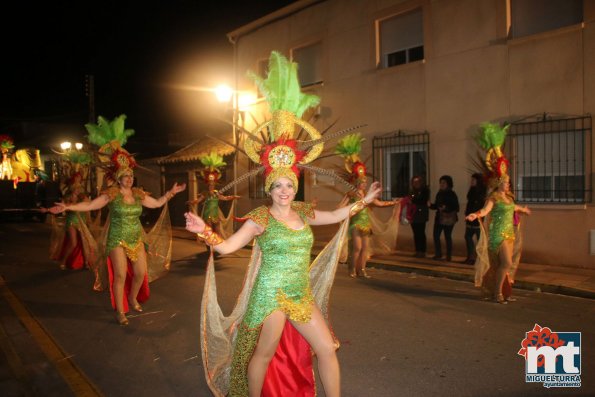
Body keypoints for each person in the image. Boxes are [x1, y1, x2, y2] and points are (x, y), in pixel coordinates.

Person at [190, 51, 373, 397]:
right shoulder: (260, 218)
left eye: (290, 184)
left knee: (328, 348)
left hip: (299, 294)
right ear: (269, 188)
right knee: (264, 353)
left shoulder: (303, 213)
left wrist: (366, 199)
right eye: (279, 186)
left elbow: (336, 215)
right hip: (270, 296)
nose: (285, 191)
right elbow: (227, 247)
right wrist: (203, 229)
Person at [50, 115, 186, 325]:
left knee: (141, 273)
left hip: (135, 238)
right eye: (125, 176)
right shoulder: (111, 195)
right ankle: (121, 311)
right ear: (119, 178)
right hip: (116, 239)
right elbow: (90, 205)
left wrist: (171, 192)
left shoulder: (139, 195)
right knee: (120, 275)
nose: (129, 178)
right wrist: (68, 206)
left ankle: (132, 298)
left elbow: (158, 203)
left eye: (131, 175)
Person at [465, 122, 531, 304]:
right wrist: (475, 215)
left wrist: (523, 209)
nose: (508, 184)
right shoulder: (493, 197)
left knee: (504, 265)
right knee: (507, 263)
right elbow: (486, 210)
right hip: (497, 235)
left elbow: (513, 208)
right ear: (498, 182)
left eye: (508, 182)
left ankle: (499, 289)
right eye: (505, 182)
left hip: (509, 233)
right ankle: (497, 293)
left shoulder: (509, 198)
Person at [336, 133, 400, 278]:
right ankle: (352, 269)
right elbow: (340, 206)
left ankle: (362, 270)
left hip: (366, 223)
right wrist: (341, 213)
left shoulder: (367, 195)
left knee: (365, 248)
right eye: (362, 181)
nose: (365, 183)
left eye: (365, 181)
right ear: (357, 182)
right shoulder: (351, 194)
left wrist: (394, 202)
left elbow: (379, 203)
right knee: (357, 248)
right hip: (355, 223)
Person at [190, 151, 239, 238]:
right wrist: (193, 202)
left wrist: (233, 197)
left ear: (214, 184)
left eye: (213, 184)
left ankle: (217, 246)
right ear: (208, 184)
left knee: (217, 230)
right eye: (210, 184)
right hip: (207, 214)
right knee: (209, 231)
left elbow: (224, 198)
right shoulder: (205, 192)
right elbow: (199, 200)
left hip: (215, 214)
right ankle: (210, 248)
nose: (211, 185)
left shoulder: (217, 193)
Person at [430, 175, 459, 261]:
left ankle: (448, 255)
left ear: (448, 184)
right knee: (436, 236)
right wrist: (430, 205)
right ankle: (438, 254)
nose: (441, 184)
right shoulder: (439, 193)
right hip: (439, 218)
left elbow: (456, 207)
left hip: (448, 219)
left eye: (444, 183)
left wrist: (446, 208)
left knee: (447, 236)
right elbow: (436, 206)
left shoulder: (452, 194)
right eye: (440, 183)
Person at [462, 173, 487, 265]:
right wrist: (467, 213)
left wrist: (475, 215)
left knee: (480, 239)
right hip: (470, 218)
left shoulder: (482, 192)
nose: (471, 182)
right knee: (467, 236)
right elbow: (470, 203)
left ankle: (481, 259)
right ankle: (470, 257)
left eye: (473, 180)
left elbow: (481, 206)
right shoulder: (472, 191)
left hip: (478, 219)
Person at [408, 175, 430, 258]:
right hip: (413, 214)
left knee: (421, 232)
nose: (415, 183)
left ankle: (422, 251)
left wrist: (413, 200)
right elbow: (409, 200)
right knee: (415, 233)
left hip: (421, 214)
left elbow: (423, 200)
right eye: (414, 181)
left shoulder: (425, 190)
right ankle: (417, 250)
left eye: (417, 181)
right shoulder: (412, 191)